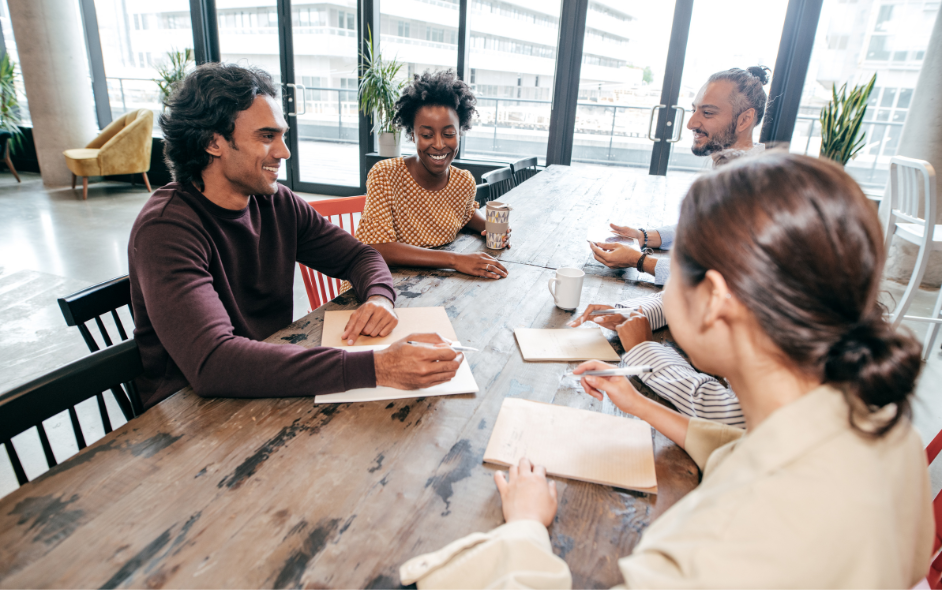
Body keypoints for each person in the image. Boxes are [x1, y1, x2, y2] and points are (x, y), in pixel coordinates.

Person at [399, 153, 933, 588]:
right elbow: (744, 450)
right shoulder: (888, 435)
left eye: (671, 269)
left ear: (715, 299)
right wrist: (646, 408)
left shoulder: (714, 546)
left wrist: (523, 531)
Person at [129, 63, 463, 409]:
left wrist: (379, 297)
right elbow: (213, 361)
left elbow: (360, 256)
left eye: (282, 136)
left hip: (268, 382)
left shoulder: (275, 202)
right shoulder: (166, 229)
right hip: (188, 415)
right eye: (266, 136)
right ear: (214, 142)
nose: (284, 152)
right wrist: (378, 366)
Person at [589, 66, 772, 281]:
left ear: (744, 119)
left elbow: (714, 277)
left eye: (708, 113)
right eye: (694, 110)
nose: (691, 123)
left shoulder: (754, 188)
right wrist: (644, 236)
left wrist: (639, 261)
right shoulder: (735, 167)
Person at [348, 70, 508, 285]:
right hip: (379, 285)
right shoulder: (385, 174)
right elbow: (379, 247)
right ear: (412, 134)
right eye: (426, 135)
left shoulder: (464, 182)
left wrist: (489, 227)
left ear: (460, 132)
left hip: (429, 285)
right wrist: (456, 260)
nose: (439, 144)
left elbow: (465, 213)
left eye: (449, 134)